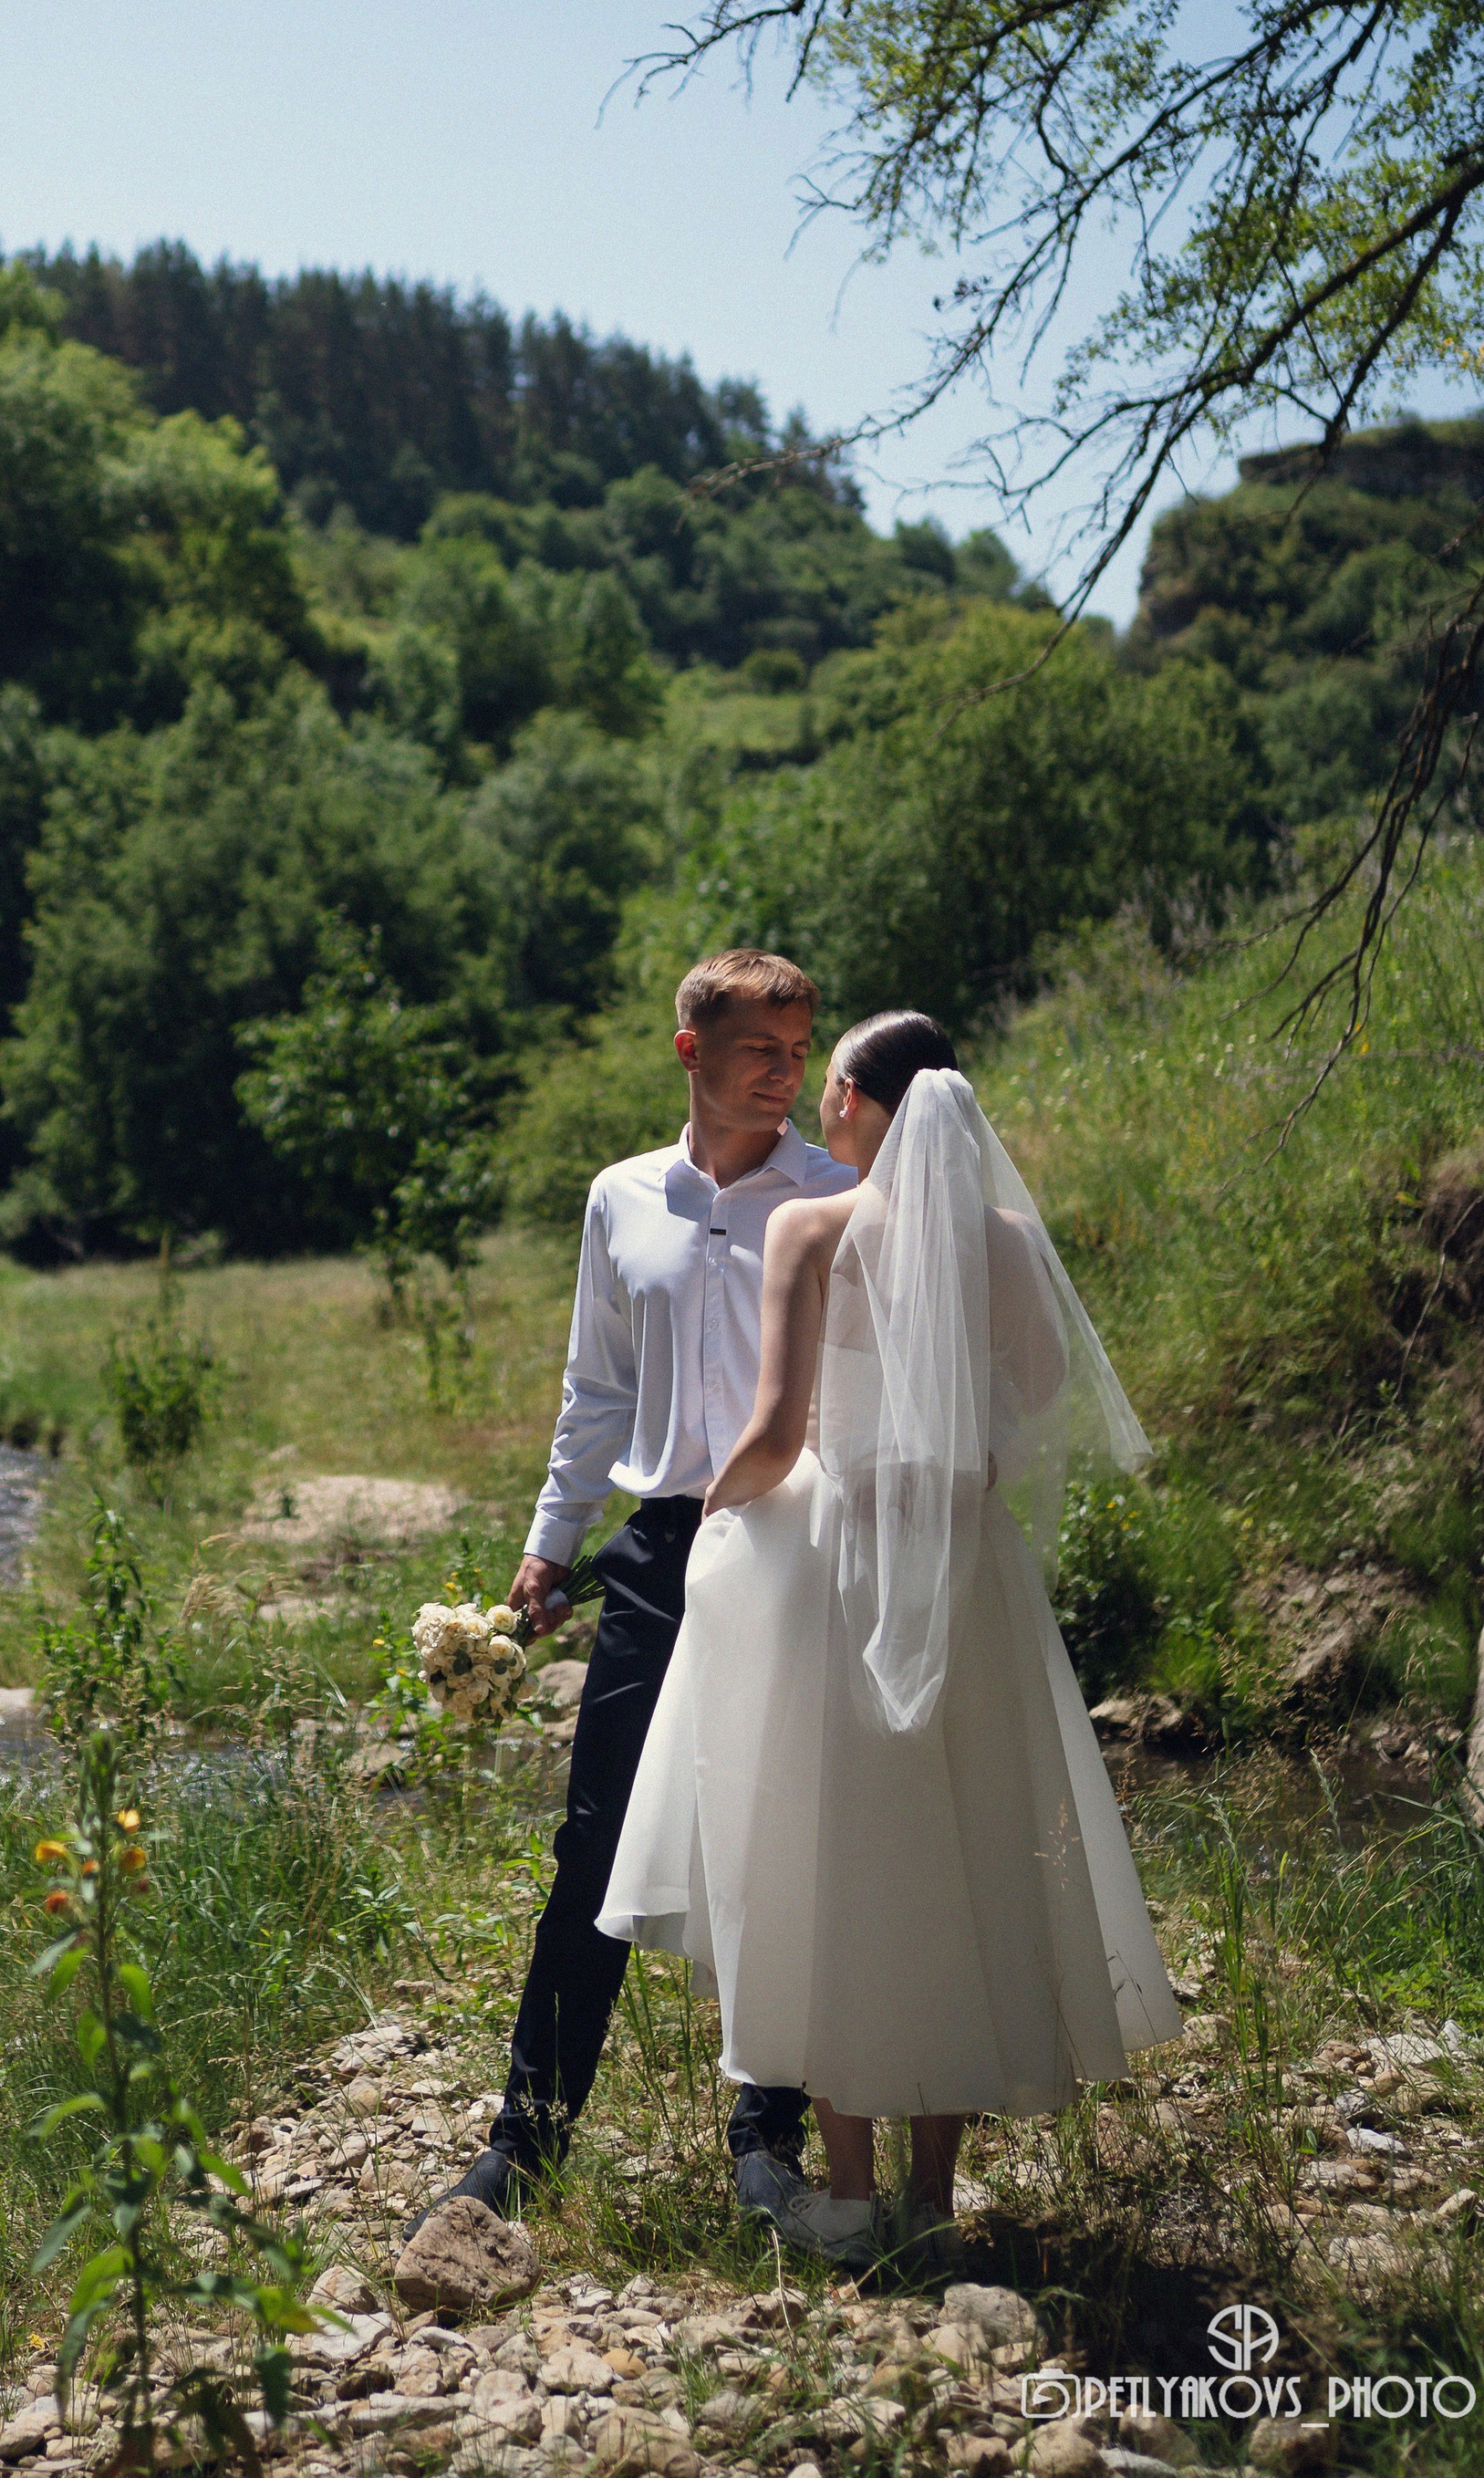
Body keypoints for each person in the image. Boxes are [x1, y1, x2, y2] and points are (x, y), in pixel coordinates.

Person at [597, 1010, 1184, 2266]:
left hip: (837, 1561)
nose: (821, 1106)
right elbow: (1038, 1393)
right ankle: (934, 2195)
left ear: (862, 1105)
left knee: (833, 1863)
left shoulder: (814, 1228)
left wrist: (713, 1513)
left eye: (832, 1089)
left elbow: (774, 1433)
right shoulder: (1007, 1240)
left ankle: (853, 2198)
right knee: (956, 1854)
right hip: (966, 1566)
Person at [420, 948, 856, 2227]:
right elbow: (596, 1387)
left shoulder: (836, 1195)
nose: (783, 1073)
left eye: (799, 1051)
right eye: (759, 1049)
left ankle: (768, 2140)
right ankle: (526, 2142)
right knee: (595, 1840)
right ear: (690, 1050)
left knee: (783, 1839)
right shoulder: (621, 1198)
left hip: (796, 1541)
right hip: (660, 1552)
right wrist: (551, 1543)